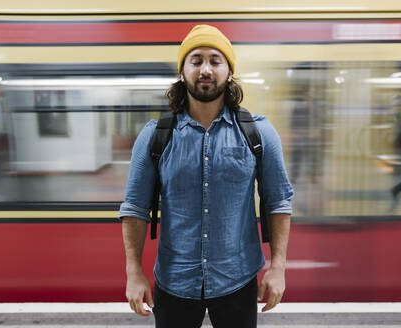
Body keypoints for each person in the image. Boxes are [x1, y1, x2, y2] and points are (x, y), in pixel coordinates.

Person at [119, 25, 294, 328]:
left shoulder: (258, 133)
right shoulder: (155, 137)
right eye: (196, 60)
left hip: (237, 281)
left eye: (215, 60)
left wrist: (278, 266)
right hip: (174, 283)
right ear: (183, 71)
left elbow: (278, 202)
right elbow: (135, 209)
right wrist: (133, 272)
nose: (205, 69)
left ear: (229, 72)